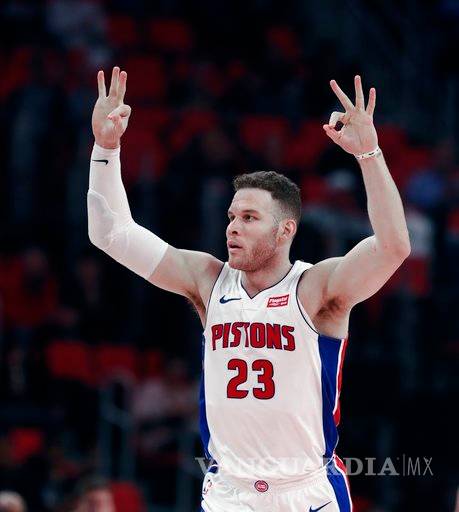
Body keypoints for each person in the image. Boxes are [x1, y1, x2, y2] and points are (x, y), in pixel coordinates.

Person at [88, 67, 410, 512]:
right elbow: (111, 233)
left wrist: (369, 154)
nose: (233, 228)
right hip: (230, 492)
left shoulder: (316, 289)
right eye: (232, 217)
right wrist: (105, 148)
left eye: (249, 218)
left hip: (306, 491)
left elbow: (394, 247)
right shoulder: (207, 280)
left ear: (285, 230)